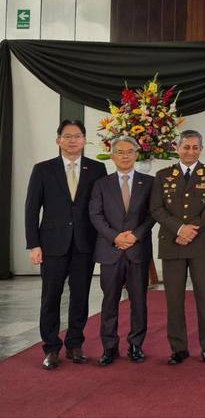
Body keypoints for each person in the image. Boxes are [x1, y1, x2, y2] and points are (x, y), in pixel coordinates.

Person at [25, 119, 107, 370]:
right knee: (51, 297)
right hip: (52, 245)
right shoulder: (43, 169)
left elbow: (101, 207)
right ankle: (51, 347)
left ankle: (75, 344)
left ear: (85, 140)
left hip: (84, 244)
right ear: (58, 139)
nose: (73, 140)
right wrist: (34, 245)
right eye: (68, 136)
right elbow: (31, 209)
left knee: (80, 296)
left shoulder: (97, 168)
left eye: (77, 136)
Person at [150, 129, 205, 365]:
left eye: (195, 147)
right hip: (173, 243)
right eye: (186, 147)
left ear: (201, 149)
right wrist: (180, 229)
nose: (191, 151)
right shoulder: (163, 175)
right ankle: (178, 348)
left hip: (201, 244)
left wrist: (192, 230)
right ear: (177, 148)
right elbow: (156, 209)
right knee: (174, 299)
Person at [88, 136, 154, 366]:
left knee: (139, 301)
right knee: (109, 302)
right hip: (110, 250)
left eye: (129, 151)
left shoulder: (149, 182)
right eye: (120, 152)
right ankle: (109, 347)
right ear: (112, 155)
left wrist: (135, 235)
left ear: (137, 154)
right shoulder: (101, 184)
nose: (125, 156)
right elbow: (95, 214)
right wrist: (115, 237)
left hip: (137, 250)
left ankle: (136, 345)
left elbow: (153, 214)